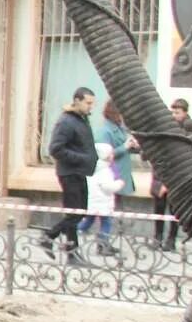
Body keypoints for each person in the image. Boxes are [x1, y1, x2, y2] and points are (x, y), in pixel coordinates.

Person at [43, 86, 97, 267]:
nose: (91, 107)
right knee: (75, 213)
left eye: (92, 103)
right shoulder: (66, 121)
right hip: (69, 173)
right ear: (77, 100)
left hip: (80, 172)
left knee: (78, 212)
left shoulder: (81, 120)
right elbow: (55, 149)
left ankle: (71, 252)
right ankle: (49, 236)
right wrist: (82, 159)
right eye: (88, 103)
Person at [80, 100, 136, 258]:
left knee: (98, 215)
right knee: (102, 216)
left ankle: (96, 240)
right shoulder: (105, 131)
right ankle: (94, 241)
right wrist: (125, 147)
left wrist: (132, 145)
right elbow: (103, 153)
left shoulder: (119, 129)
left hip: (117, 174)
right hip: (109, 177)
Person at [151, 98, 192, 251]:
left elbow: (179, 157)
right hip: (160, 174)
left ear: (185, 113)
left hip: (176, 178)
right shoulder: (165, 126)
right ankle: (157, 237)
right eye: (172, 112)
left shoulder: (188, 130)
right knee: (159, 209)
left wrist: (167, 183)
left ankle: (171, 240)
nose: (174, 115)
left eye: (177, 112)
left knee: (175, 211)